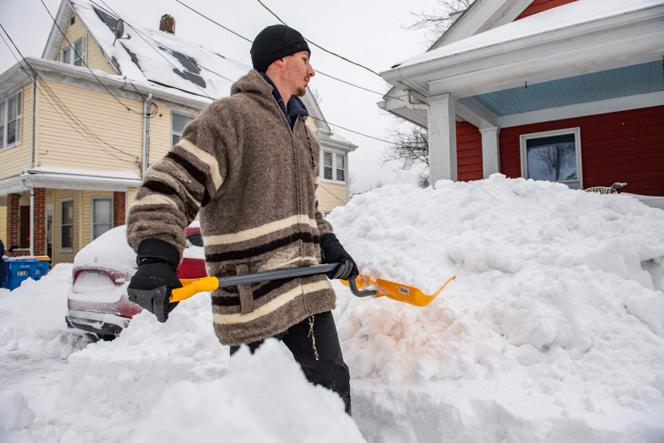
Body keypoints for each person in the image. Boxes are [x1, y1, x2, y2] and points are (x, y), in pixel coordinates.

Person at [126, 24, 358, 414]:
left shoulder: (305, 134)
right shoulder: (230, 118)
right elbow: (171, 184)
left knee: (332, 384)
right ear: (279, 60)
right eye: (306, 60)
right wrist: (156, 255)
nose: (311, 71)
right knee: (258, 405)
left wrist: (329, 243)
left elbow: (308, 207)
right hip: (252, 293)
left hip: (305, 288)